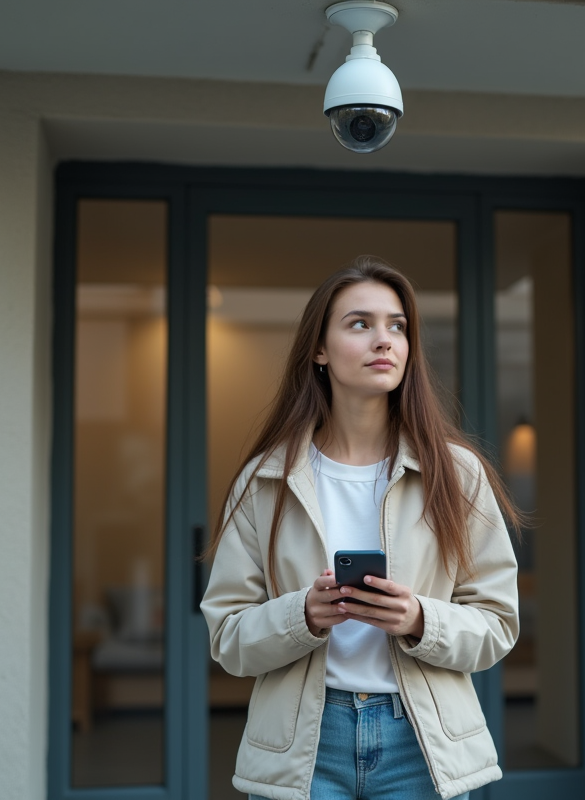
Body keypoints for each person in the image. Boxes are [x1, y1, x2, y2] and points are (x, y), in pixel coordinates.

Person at [201, 256, 521, 800]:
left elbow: (497, 625)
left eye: (397, 326)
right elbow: (228, 638)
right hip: (304, 744)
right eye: (360, 324)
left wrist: (420, 618)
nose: (385, 340)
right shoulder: (266, 479)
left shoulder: (456, 473)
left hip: (419, 745)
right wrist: (302, 614)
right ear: (319, 351)